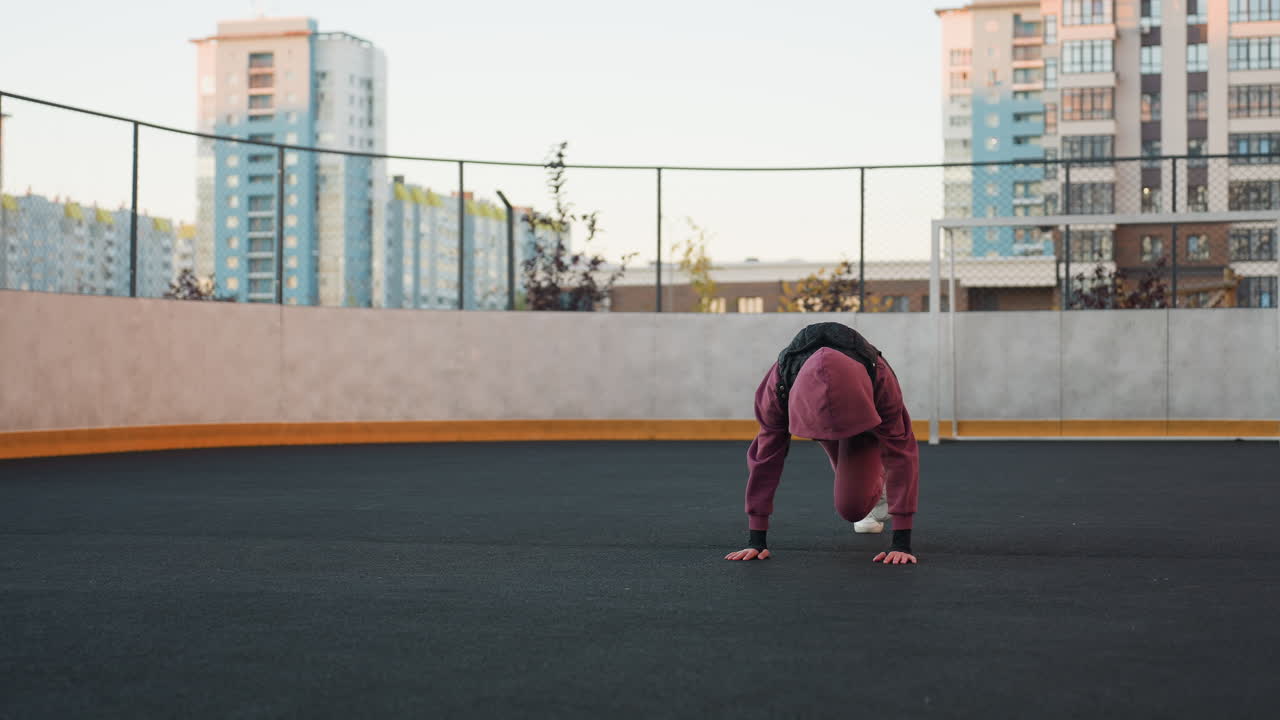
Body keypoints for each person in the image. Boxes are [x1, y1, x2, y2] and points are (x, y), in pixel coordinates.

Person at [724, 322, 919, 565]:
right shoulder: (778, 388)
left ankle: (877, 486)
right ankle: (871, 482)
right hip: (818, 418)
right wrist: (756, 539)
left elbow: (901, 453)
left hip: (867, 424)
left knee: (853, 507)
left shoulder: (880, 378)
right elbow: (765, 459)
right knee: (852, 504)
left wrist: (901, 542)